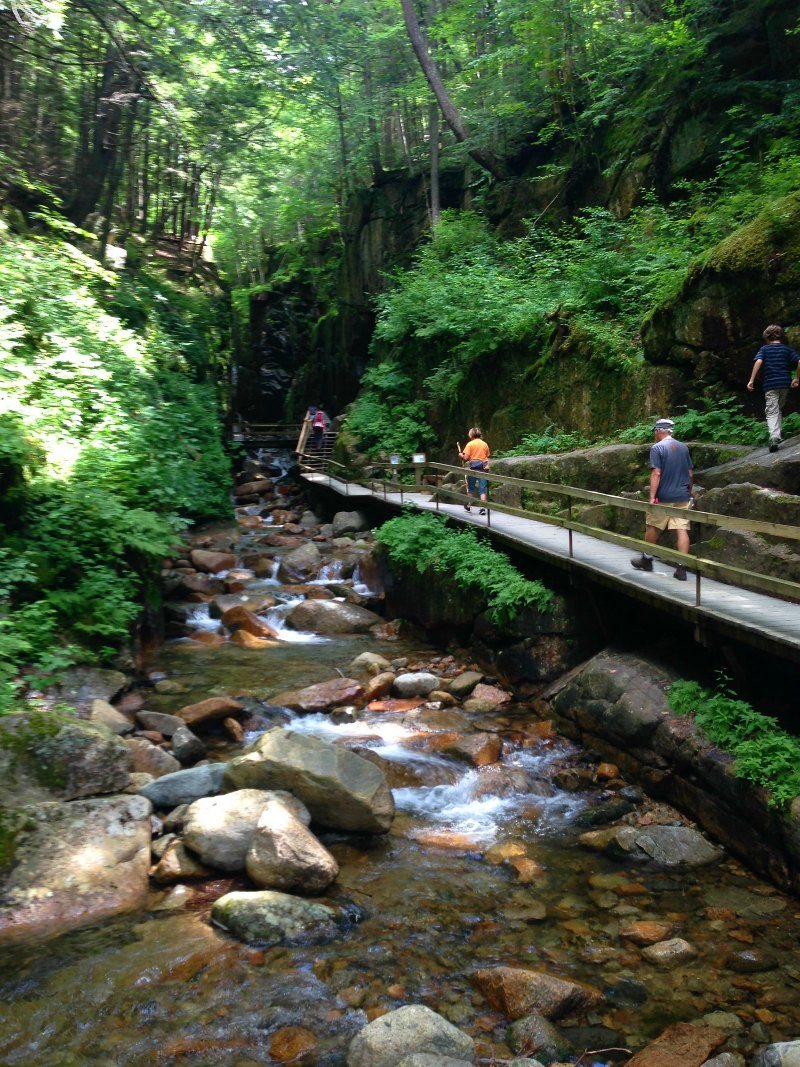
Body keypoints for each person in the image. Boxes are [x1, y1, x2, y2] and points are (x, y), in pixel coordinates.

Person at [631, 418, 694, 581]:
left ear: (659, 430)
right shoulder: (683, 447)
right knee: (682, 529)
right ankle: (681, 568)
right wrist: (689, 493)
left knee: (652, 526)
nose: (654, 434)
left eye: (654, 431)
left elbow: (656, 473)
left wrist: (652, 497)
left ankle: (647, 559)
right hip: (682, 496)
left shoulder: (657, 448)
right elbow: (690, 474)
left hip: (663, 496)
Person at [746, 324, 799, 452]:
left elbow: (758, 362)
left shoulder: (764, 349)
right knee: (778, 408)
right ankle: (778, 435)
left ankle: (774, 436)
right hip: (785, 384)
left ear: (766, 337)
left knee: (771, 411)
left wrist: (751, 380)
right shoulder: (786, 349)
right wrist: (797, 378)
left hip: (770, 385)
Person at [459, 427, 490, 515]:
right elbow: (487, 455)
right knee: (482, 489)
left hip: (473, 469)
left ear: (471, 435)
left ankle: (469, 505)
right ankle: (483, 508)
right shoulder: (484, 444)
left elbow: (465, 458)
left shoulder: (470, 444)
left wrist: (461, 455)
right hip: (483, 469)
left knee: (470, 488)